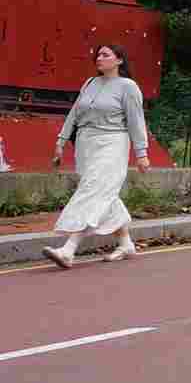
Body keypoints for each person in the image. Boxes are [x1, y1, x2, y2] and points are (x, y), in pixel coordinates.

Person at [44, 44, 151, 269]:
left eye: (105, 55)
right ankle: (126, 244)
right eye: (98, 55)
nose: (99, 59)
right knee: (104, 193)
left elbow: (136, 121)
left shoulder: (128, 87)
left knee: (93, 190)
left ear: (119, 60)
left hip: (112, 142)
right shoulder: (90, 83)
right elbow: (74, 113)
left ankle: (68, 249)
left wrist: (141, 153)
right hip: (86, 144)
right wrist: (61, 141)